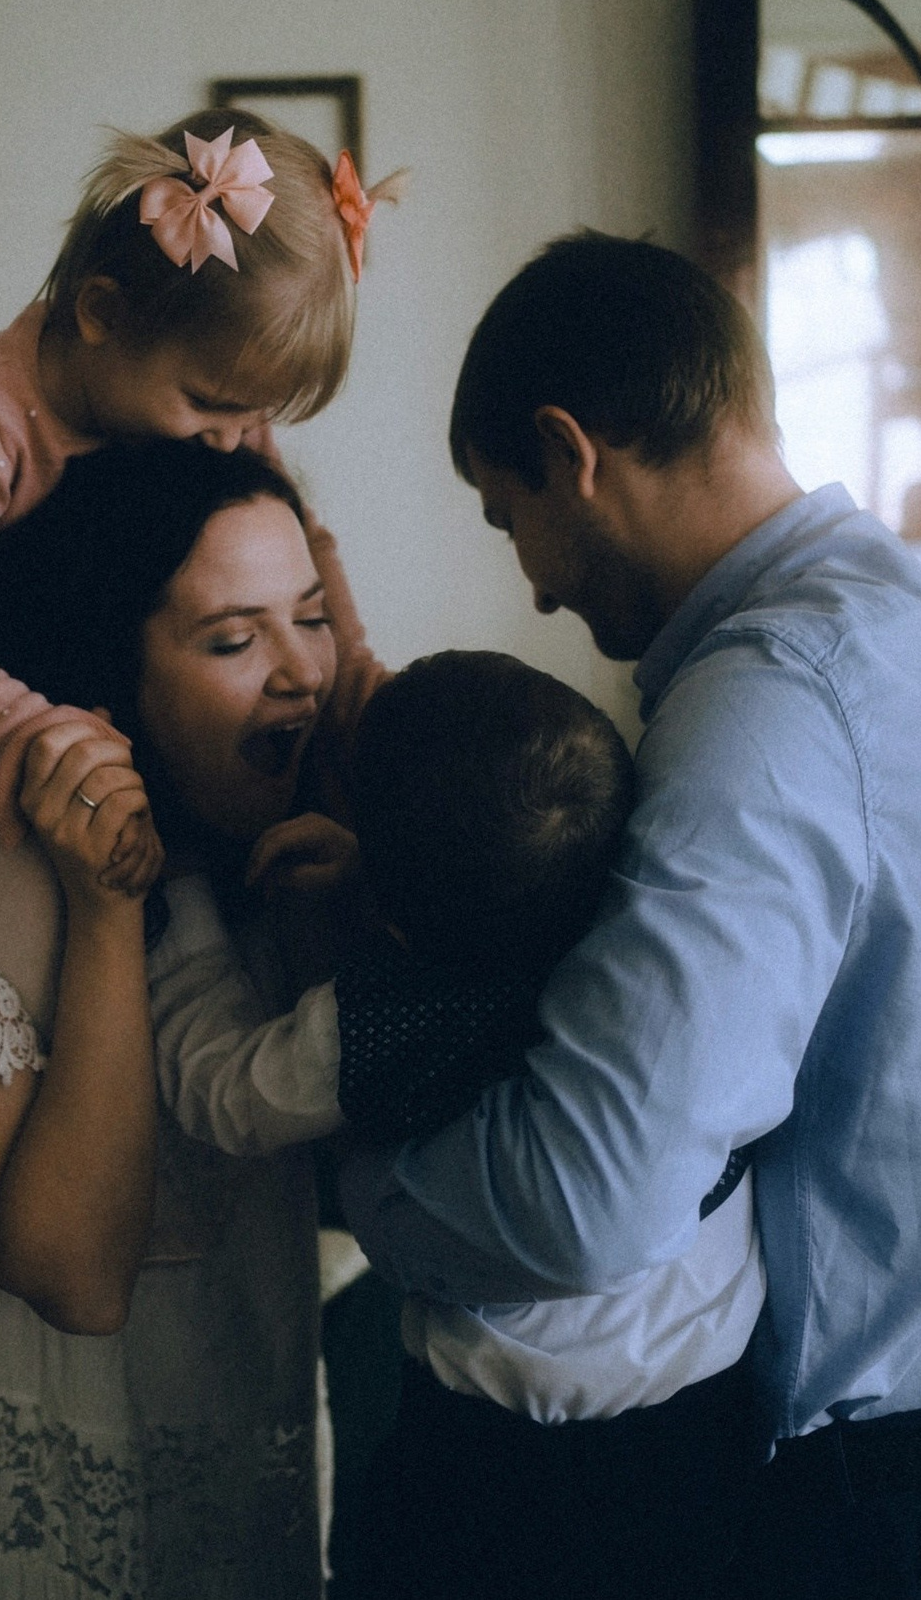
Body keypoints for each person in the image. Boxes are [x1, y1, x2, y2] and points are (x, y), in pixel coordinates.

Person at [334, 230, 921, 1599]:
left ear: (570, 451)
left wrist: (356, 1181)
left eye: (510, 517)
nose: (535, 583)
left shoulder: (765, 710)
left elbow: (582, 1194)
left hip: (876, 1519)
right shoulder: (907, 620)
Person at [0, 438, 340, 1599]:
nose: (304, 673)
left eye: (313, 617)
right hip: (11, 1483)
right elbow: (76, 1279)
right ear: (107, 674)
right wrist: (105, 908)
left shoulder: (295, 847)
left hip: (222, 1443)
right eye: (235, 639)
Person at [145, 648, 764, 1598]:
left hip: (501, 1463)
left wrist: (183, 901)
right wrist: (372, 870)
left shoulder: (374, 1021)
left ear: (391, 911)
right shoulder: (642, 936)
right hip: (710, 1422)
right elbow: (488, 893)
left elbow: (220, 1089)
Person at [0, 106, 395, 860]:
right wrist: (39, 731)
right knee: (55, 785)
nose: (237, 439)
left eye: (255, 414)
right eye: (209, 406)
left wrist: (357, 674)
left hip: (20, 663)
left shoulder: (215, 402)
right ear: (102, 313)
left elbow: (307, 536)